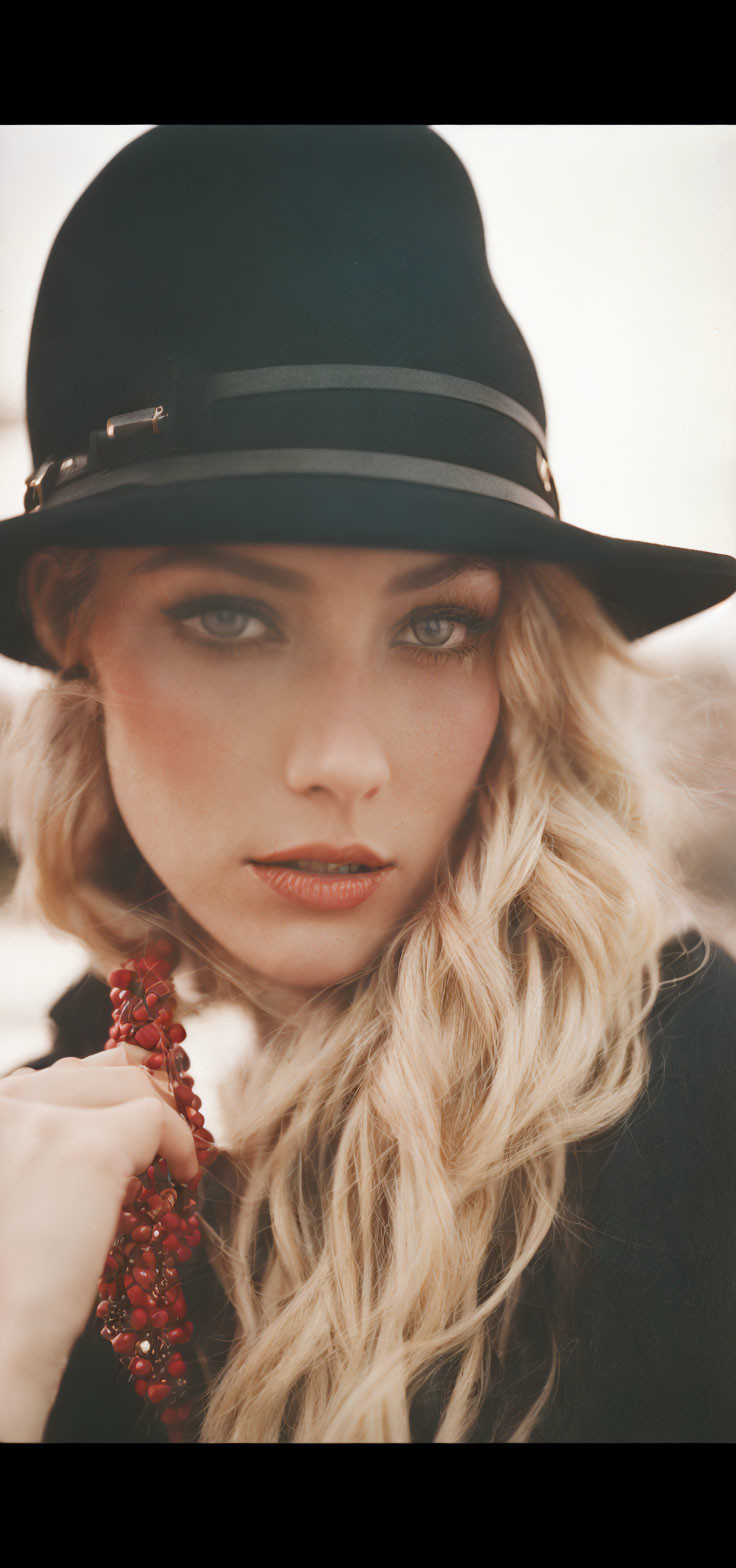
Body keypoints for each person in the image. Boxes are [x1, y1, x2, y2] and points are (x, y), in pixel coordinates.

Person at [0, 124, 734, 1445]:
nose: (346, 762)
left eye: (435, 626)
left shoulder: (700, 1121)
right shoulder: (63, 1100)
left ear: (525, 661)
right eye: (229, 619)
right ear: (77, 630)